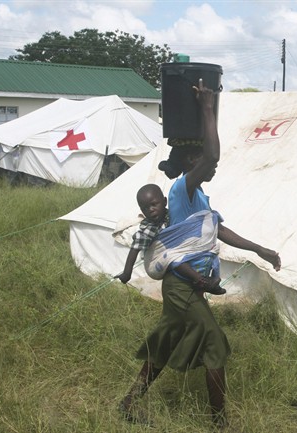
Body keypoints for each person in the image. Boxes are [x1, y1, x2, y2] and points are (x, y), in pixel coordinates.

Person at [119, 80, 281, 429]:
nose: (212, 166)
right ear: (192, 163)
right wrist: (207, 108)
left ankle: (129, 403)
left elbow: (217, 230)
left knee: (165, 343)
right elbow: (213, 155)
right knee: (214, 346)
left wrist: (259, 249)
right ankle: (219, 422)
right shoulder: (180, 190)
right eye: (201, 161)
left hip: (190, 287)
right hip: (181, 285)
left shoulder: (200, 199)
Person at [116, 183, 225, 295]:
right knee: (172, 256)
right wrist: (127, 273)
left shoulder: (172, 216)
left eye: (154, 204)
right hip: (154, 264)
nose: (151, 210)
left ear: (165, 201)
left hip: (170, 255)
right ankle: (201, 281)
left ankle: (214, 283)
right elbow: (135, 248)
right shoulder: (149, 228)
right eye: (145, 208)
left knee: (212, 251)